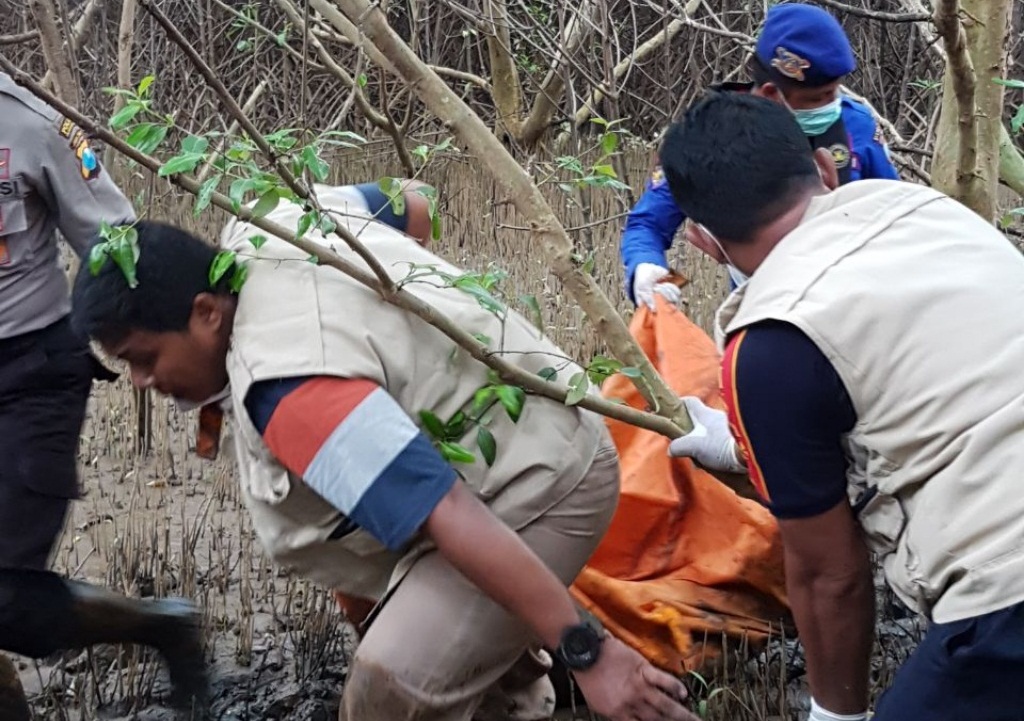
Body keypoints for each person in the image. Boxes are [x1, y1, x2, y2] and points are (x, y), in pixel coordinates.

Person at [70, 182, 700, 721]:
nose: (141, 384)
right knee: (431, 641)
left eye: (143, 360)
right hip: (508, 443)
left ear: (206, 312)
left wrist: (590, 653)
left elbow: (448, 513)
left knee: (387, 692)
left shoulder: (293, 392)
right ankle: (512, 681)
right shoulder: (275, 220)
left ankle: (553, 665)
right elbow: (413, 203)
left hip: (544, 481)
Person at [661, 90, 1024, 720]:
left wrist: (836, 714)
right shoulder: (928, 210)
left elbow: (832, 575)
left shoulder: (769, 341)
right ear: (826, 170)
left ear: (702, 241)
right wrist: (751, 445)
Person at [0, 71, 207, 718]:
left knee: (4, 596)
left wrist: (197, 370)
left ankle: (161, 624)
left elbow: (116, 245)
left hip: (28, 373)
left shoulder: (32, 121)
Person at [622, 2, 900, 310]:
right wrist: (646, 269)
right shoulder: (713, 136)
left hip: (855, 303)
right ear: (770, 94)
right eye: (816, 99)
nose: (831, 105)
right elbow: (648, 222)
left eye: (835, 92)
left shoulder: (855, 126)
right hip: (761, 309)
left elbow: (895, 211)